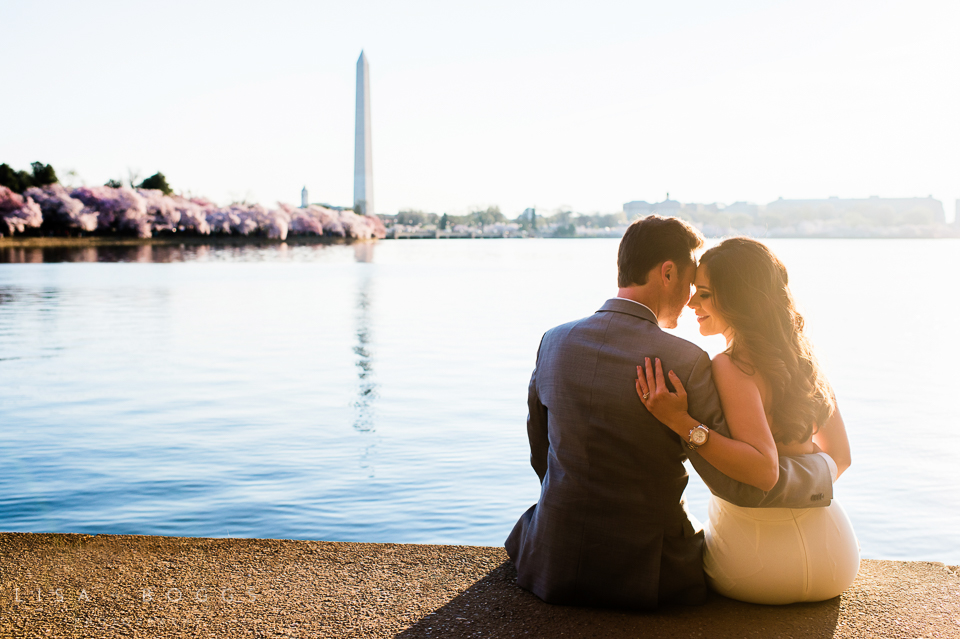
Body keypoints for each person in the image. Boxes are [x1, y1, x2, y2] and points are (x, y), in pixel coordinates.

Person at [505, 216, 836, 610]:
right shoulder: (686, 361)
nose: (692, 297)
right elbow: (737, 483)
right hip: (652, 571)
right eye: (691, 282)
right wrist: (821, 470)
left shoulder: (553, 341)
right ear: (667, 272)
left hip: (549, 557)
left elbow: (539, 449)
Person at [635, 237, 858, 604]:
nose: (692, 302)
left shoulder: (732, 363)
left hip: (756, 568)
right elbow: (842, 458)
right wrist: (801, 482)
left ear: (737, 299)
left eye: (704, 294)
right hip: (837, 560)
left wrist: (683, 423)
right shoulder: (805, 358)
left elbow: (762, 470)